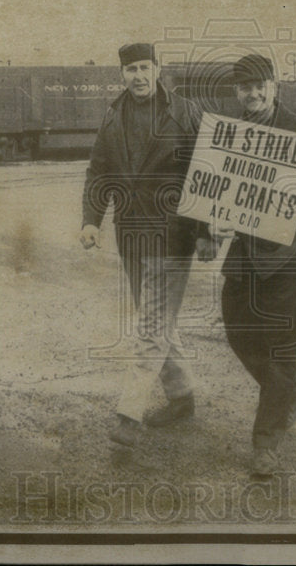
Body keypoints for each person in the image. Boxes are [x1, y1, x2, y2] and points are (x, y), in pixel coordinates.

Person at [80, 42, 216, 449]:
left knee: (151, 325)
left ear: (158, 69)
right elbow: (99, 170)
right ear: (121, 74)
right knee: (156, 319)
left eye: (144, 67)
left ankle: (129, 415)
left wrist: (207, 231)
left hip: (173, 236)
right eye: (130, 70)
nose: (138, 76)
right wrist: (91, 220)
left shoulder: (186, 112)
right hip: (131, 236)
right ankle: (181, 397)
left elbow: (206, 172)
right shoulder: (113, 115)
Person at [218, 53, 296, 478]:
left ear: (275, 86)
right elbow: (215, 190)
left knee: (282, 353)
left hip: (286, 261)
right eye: (244, 87)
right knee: (237, 336)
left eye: (260, 85)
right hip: (241, 261)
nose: (252, 94)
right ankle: (291, 394)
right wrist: (210, 226)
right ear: (236, 91)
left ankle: (266, 442)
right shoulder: (230, 135)